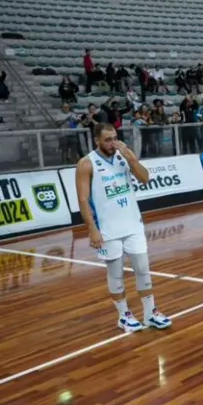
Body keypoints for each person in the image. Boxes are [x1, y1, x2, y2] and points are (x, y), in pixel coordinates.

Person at [75, 123, 171, 333]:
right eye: (107, 140)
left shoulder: (123, 156)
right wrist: (92, 229)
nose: (112, 143)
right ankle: (124, 316)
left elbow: (145, 179)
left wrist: (131, 157)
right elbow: (83, 200)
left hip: (132, 223)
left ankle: (150, 312)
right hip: (107, 228)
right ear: (97, 141)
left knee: (143, 269)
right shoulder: (86, 163)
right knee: (116, 274)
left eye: (115, 138)